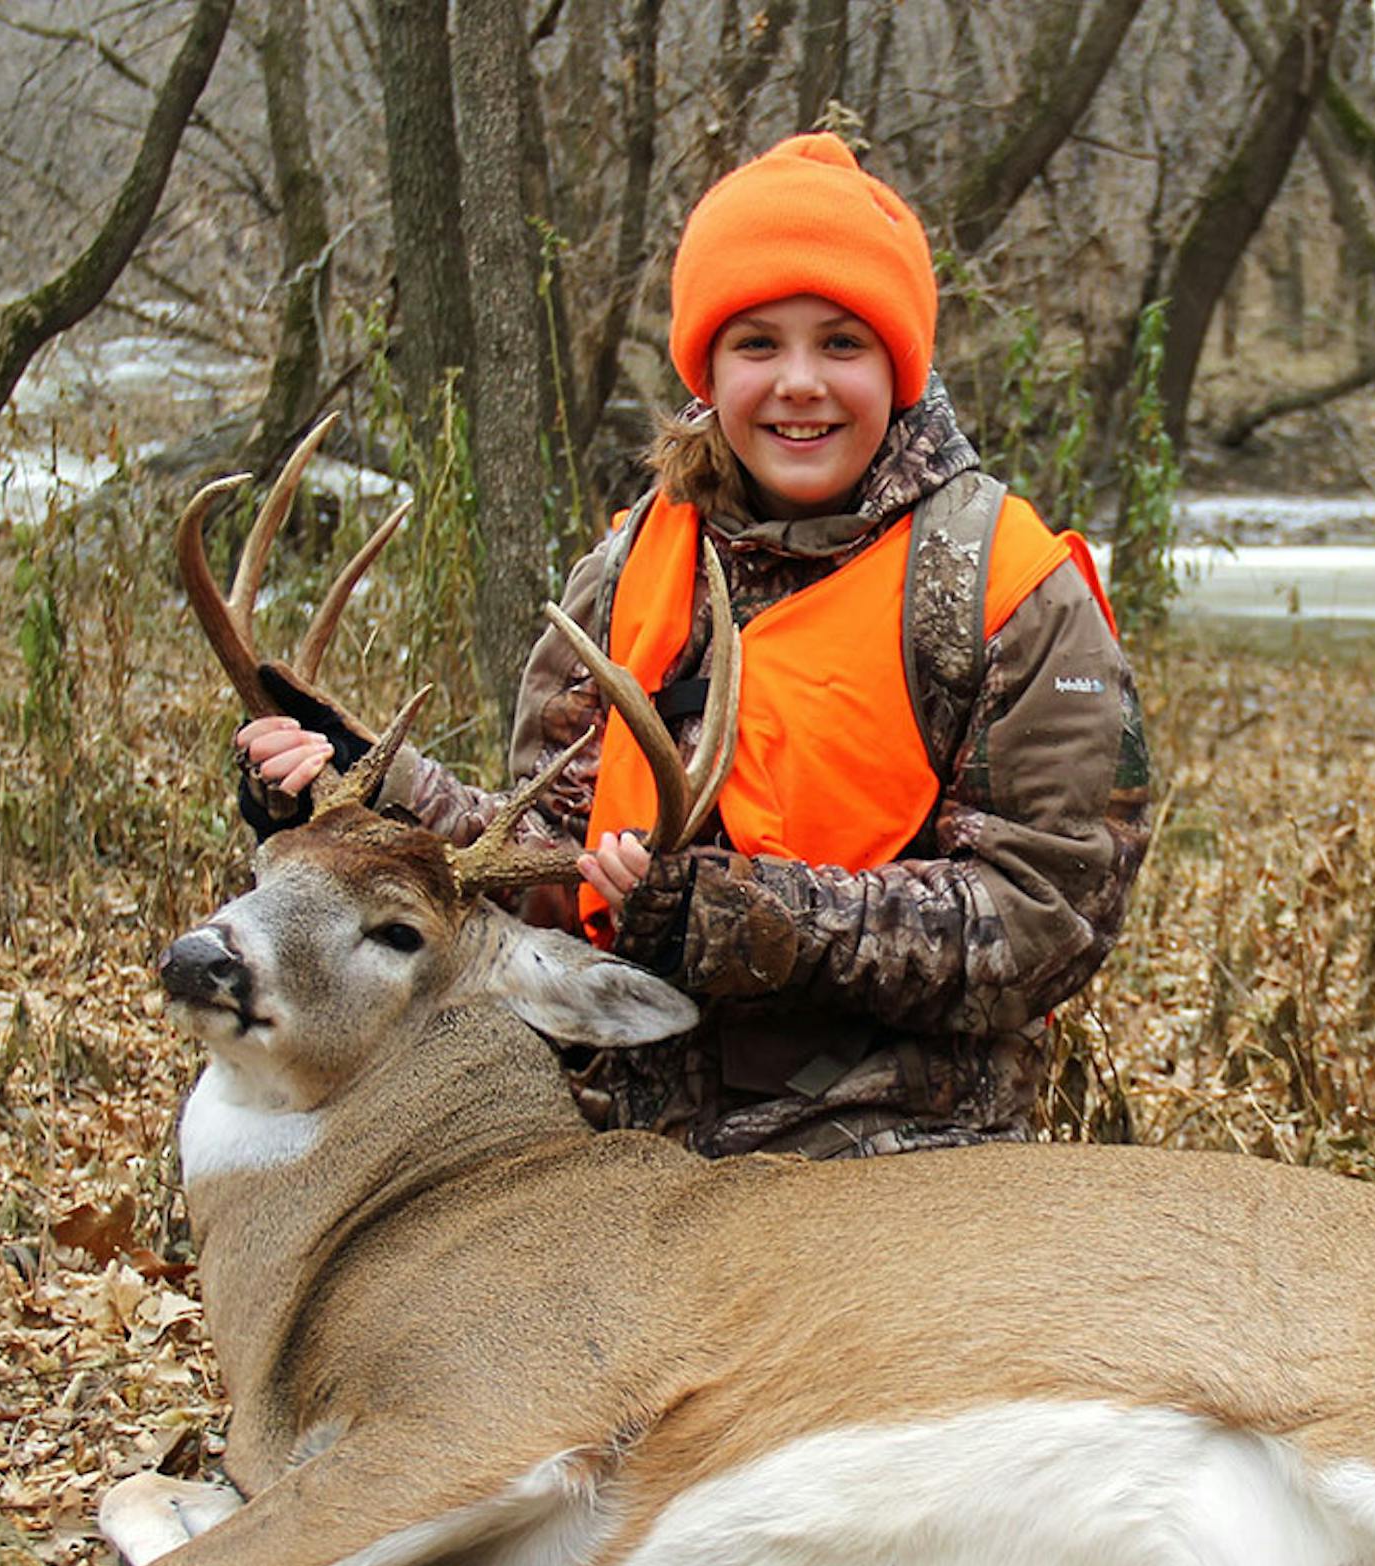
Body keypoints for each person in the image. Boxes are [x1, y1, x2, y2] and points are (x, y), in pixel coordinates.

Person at [239, 132, 1150, 1160]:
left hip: (899, 1144)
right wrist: (368, 791)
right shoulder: (633, 567)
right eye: (757, 343)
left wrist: (756, 917)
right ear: (708, 366)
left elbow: (1046, 921)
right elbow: (558, 867)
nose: (799, 382)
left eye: (843, 343)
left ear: (899, 364)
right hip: (620, 1121)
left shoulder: (1008, 587)